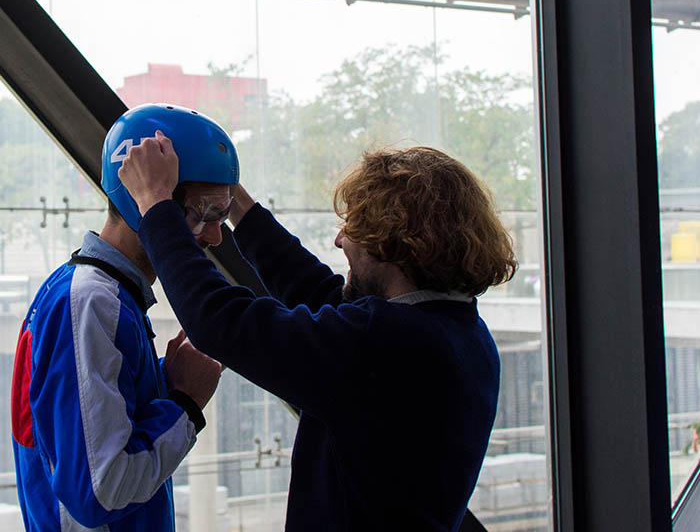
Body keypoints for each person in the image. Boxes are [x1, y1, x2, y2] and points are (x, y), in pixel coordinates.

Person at [117, 135, 518, 531]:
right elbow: (320, 295)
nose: (339, 239)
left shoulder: (388, 342)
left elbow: (222, 321)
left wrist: (156, 203)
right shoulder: (459, 332)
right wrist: (233, 199)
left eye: (355, 226)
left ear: (397, 241)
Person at [10, 103, 238, 531]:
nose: (214, 235)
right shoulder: (91, 302)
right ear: (144, 201)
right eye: (202, 213)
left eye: (222, 215)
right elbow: (102, 491)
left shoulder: (106, 296)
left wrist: (163, 383)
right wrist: (184, 404)